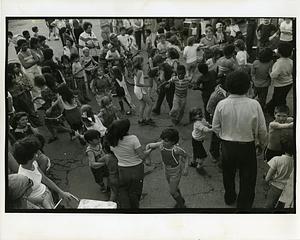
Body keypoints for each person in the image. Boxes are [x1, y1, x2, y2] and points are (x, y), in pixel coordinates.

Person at [212, 71, 267, 209]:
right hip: (247, 145)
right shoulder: (254, 104)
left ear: (228, 86)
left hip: (227, 146)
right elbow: (262, 130)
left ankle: (230, 196)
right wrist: (261, 143)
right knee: (248, 177)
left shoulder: (222, 104)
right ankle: (244, 204)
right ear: (248, 86)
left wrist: (224, 137)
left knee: (228, 174)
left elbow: (215, 127)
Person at [14, 137, 73, 208]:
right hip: (41, 203)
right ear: (30, 157)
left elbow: (44, 179)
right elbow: (26, 200)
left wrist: (61, 192)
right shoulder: (23, 178)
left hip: (47, 194)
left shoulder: (34, 163)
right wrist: (43, 202)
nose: (39, 152)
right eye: (36, 151)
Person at [106, 119, 151, 208]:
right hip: (136, 169)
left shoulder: (110, 139)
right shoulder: (133, 139)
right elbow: (142, 156)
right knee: (135, 192)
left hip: (122, 169)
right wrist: (150, 150)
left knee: (125, 190)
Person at [146, 128, 188, 208]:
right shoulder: (161, 144)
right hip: (166, 170)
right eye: (163, 139)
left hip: (175, 172)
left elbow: (186, 157)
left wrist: (186, 168)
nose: (163, 142)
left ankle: (182, 206)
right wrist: (148, 158)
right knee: (174, 188)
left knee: (172, 192)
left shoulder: (176, 150)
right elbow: (148, 146)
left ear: (173, 141)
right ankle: (181, 200)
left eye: (166, 141)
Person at [264, 135, 294, 209]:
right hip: (288, 189)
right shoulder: (294, 162)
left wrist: (267, 181)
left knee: (269, 206)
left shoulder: (277, 159)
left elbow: (267, 178)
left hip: (275, 187)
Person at [266, 42, 293, 116]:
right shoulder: (291, 61)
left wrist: (269, 72)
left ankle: (280, 112)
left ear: (280, 53)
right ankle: (269, 106)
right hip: (289, 83)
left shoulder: (279, 64)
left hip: (280, 85)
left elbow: (274, 75)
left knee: (279, 99)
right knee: (281, 97)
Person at [206, 77, 228, 166]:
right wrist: (217, 116)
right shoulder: (216, 95)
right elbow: (209, 108)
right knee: (216, 137)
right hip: (217, 119)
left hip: (225, 118)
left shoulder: (226, 92)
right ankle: (214, 153)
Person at [189, 108, 213, 174]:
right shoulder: (197, 123)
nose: (200, 115)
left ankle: (193, 162)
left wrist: (209, 125)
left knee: (195, 151)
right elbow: (205, 129)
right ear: (193, 117)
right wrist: (214, 129)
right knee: (202, 156)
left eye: (200, 113)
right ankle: (199, 167)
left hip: (197, 139)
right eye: (197, 114)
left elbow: (205, 123)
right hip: (196, 140)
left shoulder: (202, 119)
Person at [133, 55, 154, 126]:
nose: (143, 63)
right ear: (139, 63)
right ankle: (147, 118)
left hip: (137, 90)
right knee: (150, 103)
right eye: (142, 62)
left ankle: (140, 119)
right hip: (140, 90)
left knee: (143, 104)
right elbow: (138, 83)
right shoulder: (140, 71)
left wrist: (146, 76)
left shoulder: (136, 70)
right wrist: (147, 85)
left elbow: (138, 78)